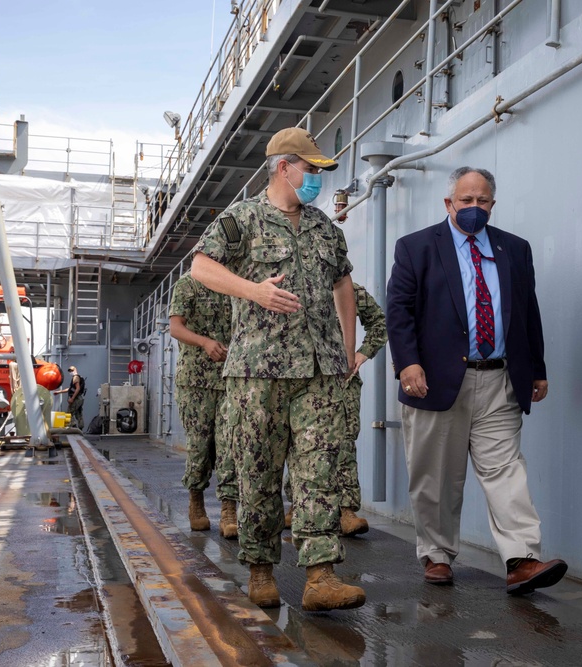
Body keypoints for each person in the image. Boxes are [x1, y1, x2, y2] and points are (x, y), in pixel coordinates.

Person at [191, 126, 365, 612]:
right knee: (259, 472)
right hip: (257, 373)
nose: (317, 181)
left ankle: (320, 576)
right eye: (311, 170)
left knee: (319, 471)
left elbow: (344, 287)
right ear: (284, 167)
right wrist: (255, 291)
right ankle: (261, 569)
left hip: (318, 372)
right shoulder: (241, 219)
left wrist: (347, 351)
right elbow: (201, 267)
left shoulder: (327, 229)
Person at [385, 166, 567, 595]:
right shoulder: (416, 248)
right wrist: (407, 363)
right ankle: (437, 554)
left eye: (481, 201)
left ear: (492, 204)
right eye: (465, 200)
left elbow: (527, 312)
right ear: (449, 203)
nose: (473, 207)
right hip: (435, 381)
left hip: (499, 379)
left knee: (506, 470)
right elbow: (399, 310)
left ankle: (521, 558)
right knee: (436, 476)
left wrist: (537, 368)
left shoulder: (514, 249)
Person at [284, 282, 387, 537]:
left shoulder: (352, 291)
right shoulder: (292, 287)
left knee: (344, 442)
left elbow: (380, 324)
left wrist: (361, 354)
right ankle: (298, 504)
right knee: (297, 442)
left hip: (342, 381)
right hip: (301, 379)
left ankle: (346, 510)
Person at [169, 270, 238, 537]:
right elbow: (176, 327)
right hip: (195, 382)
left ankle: (228, 510)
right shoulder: (188, 284)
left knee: (229, 445)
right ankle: (196, 501)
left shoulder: (235, 285)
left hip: (230, 379)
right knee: (199, 447)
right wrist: (205, 342)